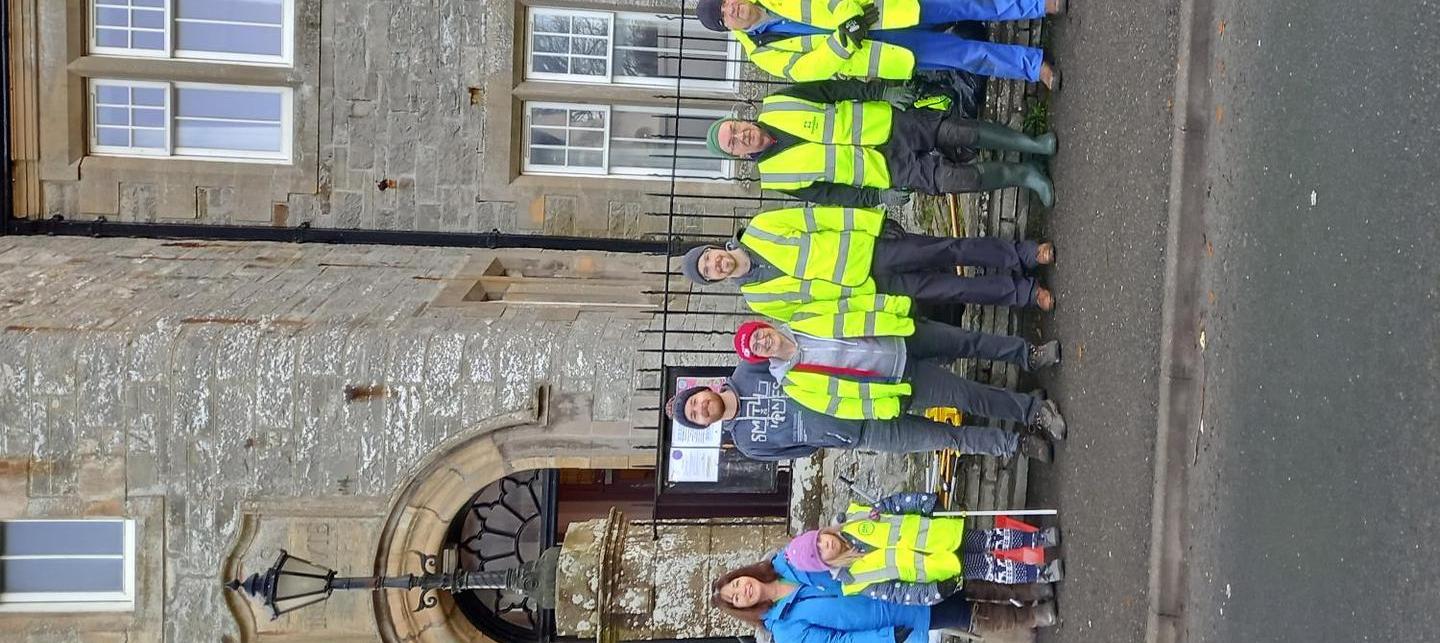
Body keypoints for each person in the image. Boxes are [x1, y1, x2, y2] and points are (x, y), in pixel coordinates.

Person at [707, 80, 1057, 206]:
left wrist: (881, 92)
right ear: (737, 155)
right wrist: (877, 197)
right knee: (960, 179)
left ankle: (1033, 144)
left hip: (890, 125)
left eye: (734, 129)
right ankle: (1027, 176)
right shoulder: (775, 176)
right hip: (887, 171)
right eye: (733, 144)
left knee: (962, 133)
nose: (741, 136)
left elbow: (833, 89)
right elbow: (831, 195)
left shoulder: (779, 103)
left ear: (740, 119)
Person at [679, 205, 1056, 321]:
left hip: (870, 249)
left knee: (950, 250)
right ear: (715, 281)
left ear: (713, 248)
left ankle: (1023, 254)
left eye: (709, 258)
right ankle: (1025, 293)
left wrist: (873, 224)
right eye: (709, 272)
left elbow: (821, 218)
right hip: (871, 291)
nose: (716, 265)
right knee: (956, 290)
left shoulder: (761, 228)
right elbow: (816, 314)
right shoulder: (757, 300)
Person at [665, 359, 1059, 461]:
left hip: (868, 391)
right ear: (704, 425)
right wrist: (833, 431)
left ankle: (1031, 411)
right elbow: (802, 449)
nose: (701, 408)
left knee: (960, 395)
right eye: (696, 415)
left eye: (696, 401)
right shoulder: (748, 444)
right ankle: (1016, 445)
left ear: (704, 389)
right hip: (864, 434)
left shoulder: (747, 370)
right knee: (948, 439)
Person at [731, 319, 1064, 435]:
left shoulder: (800, 319)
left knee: (968, 341)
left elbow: (849, 306)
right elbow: (842, 405)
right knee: (967, 396)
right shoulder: (793, 384)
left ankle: (1030, 355)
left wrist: (891, 309)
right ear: (760, 358)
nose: (762, 342)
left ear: (764, 326)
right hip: (898, 379)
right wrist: (886, 406)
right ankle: (1034, 412)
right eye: (756, 348)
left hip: (897, 332)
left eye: (758, 335)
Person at [695, 0, 1065, 88]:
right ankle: (1034, 67)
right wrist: (844, 39)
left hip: (881, 8)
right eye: (724, 15)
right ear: (728, 28)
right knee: (964, 56)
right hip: (876, 52)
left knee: (966, 3)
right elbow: (807, 70)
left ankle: (1037, 4)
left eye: (726, 1)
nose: (732, 8)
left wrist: (850, 13)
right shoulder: (762, 53)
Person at [781, 491, 1063, 606]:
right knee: (991, 568)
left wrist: (924, 502)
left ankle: (1038, 539)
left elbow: (892, 505)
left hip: (939, 535)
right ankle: (1039, 573)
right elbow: (898, 593)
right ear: (825, 563)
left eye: (819, 540)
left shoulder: (854, 517)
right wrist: (933, 593)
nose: (826, 544)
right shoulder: (855, 580)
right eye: (820, 552)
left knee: (991, 539)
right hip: (937, 568)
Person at [711, 558, 1057, 643]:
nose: (743, 591)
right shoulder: (785, 629)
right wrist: (887, 638)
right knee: (966, 614)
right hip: (890, 618)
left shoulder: (787, 562)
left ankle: (1029, 590)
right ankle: (1033, 617)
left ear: (744, 574)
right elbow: (837, 642)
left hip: (890, 579)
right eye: (736, 599)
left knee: (964, 582)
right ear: (743, 609)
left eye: (737, 584)